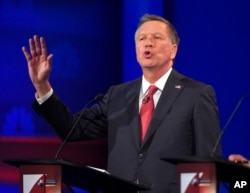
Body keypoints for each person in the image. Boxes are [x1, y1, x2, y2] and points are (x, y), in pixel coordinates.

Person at [22, 14, 222, 193]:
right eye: (142, 39)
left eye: (156, 38)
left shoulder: (196, 94)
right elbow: (72, 129)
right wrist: (42, 86)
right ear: (136, 50)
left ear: (173, 50)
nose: (148, 43)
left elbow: (208, 162)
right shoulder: (118, 95)